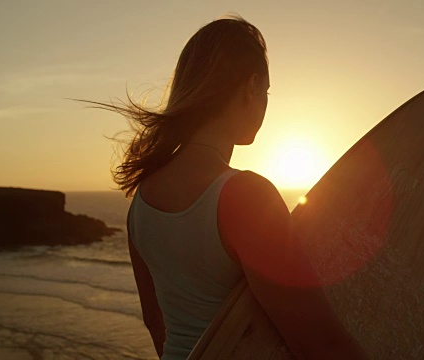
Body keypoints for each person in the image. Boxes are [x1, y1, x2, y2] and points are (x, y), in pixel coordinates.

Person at [78, 15, 366, 360]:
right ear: (252, 87)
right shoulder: (246, 196)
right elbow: (321, 345)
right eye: (268, 91)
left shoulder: (140, 202)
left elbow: (155, 322)